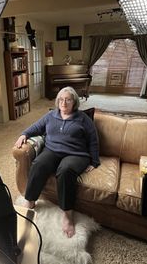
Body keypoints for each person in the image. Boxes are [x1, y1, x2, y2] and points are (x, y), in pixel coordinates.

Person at [14, 86, 100, 238]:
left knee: (65, 170)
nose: (64, 103)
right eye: (61, 99)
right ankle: (31, 201)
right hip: (52, 150)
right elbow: (36, 127)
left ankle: (67, 215)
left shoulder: (83, 119)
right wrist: (24, 134)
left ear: (74, 102)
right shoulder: (51, 116)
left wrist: (94, 161)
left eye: (68, 99)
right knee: (39, 164)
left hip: (76, 154)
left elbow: (93, 139)